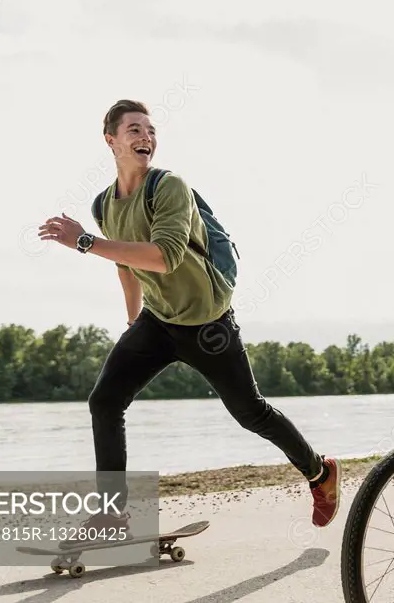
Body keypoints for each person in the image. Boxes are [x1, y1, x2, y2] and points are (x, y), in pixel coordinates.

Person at [37, 99, 341, 538]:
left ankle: (319, 472)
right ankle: (111, 514)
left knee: (250, 412)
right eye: (135, 130)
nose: (146, 138)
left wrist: (84, 241)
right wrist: (132, 321)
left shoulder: (169, 187)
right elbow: (126, 264)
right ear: (111, 140)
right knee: (104, 401)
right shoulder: (104, 204)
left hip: (207, 324)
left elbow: (164, 257)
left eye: (151, 130)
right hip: (157, 322)